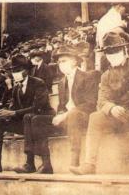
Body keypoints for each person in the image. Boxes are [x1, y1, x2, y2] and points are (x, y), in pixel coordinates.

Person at [69, 32, 129, 175]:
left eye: (116, 51)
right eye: (109, 53)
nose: (113, 56)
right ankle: (89, 164)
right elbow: (101, 100)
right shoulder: (106, 75)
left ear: (124, 50)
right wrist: (111, 108)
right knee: (95, 117)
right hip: (122, 115)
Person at [13, 45, 101, 174]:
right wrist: (59, 114)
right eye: (59, 62)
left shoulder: (89, 76)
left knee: (74, 115)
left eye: (64, 61)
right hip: (68, 118)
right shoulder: (61, 82)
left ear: (75, 61)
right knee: (35, 119)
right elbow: (61, 106)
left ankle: (74, 162)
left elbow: (90, 104)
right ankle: (46, 164)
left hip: (83, 116)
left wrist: (65, 115)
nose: (60, 64)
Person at [0, 54, 53, 172]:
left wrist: (13, 113)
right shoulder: (16, 87)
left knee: (28, 117)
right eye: (13, 71)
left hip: (42, 120)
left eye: (17, 70)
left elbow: (38, 107)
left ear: (26, 70)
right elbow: (15, 107)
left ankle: (29, 163)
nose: (14, 74)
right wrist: (7, 113)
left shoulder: (38, 83)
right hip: (26, 122)